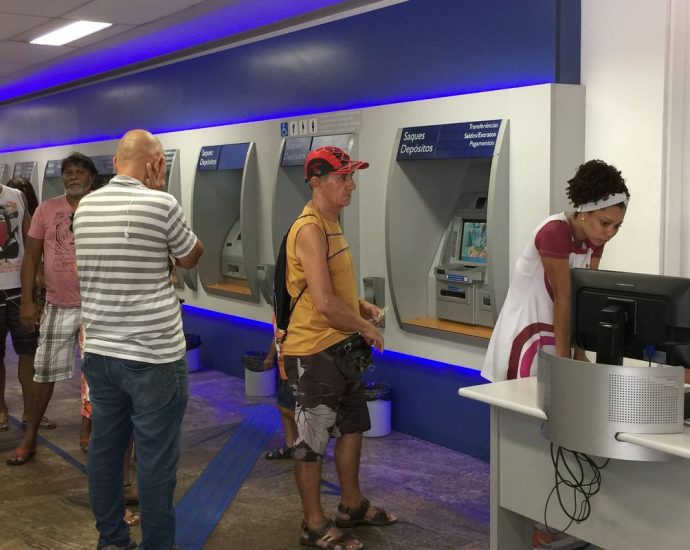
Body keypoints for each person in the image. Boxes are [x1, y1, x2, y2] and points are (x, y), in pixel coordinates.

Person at [73, 129, 203, 550]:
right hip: (154, 355)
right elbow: (191, 256)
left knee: (106, 450)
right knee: (155, 458)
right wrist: (159, 192)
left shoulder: (86, 206)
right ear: (156, 164)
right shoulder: (161, 203)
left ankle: (112, 539)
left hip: (100, 351)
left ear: (115, 163)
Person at [282, 145, 396, 550]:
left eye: (351, 177)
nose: (351, 185)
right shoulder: (310, 229)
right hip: (314, 351)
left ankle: (350, 505)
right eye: (343, 178)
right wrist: (366, 327)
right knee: (311, 443)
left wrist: (359, 305)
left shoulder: (331, 223)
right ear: (317, 182)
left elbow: (329, 290)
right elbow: (324, 304)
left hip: (339, 349)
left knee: (352, 426)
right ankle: (313, 525)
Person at [481, 159, 629, 382]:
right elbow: (563, 298)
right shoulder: (554, 232)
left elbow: (585, 299)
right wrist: (564, 361)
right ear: (585, 211)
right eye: (605, 223)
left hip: (556, 333)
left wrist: (580, 353)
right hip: (526, 335)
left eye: (617, 226)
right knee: (524, 400)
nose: (610, 232)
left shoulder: (596, 239)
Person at [7, 153, 96, 466]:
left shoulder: (101, 207)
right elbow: (31, 257)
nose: (73, 177)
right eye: (68, 173)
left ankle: (87, 430)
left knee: (94, 375)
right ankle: (30, 436)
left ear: (91, 177)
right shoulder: (46, 210)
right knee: (43, 372)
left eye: (80, 172)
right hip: (58, 304)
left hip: (95, 306)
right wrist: (27, 301)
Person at [0, 177, 41, 433]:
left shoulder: (16, 196)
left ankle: (30, 411)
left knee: (28, 352)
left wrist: (36, 278)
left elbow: (30, 239)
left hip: (19, 288)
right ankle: (1, 409)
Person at [264, 338, 297, 460]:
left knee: (287, 409)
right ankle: (290, 446)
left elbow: (280, 335)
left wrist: (269, 358)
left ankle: (309, 444)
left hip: (296, 365)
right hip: (289, 365)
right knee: (284, 406)